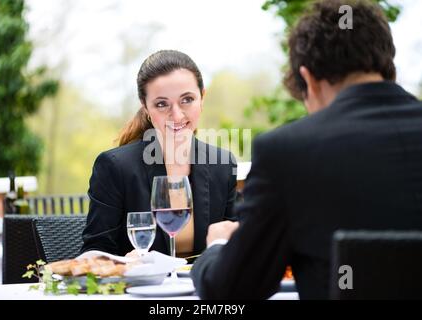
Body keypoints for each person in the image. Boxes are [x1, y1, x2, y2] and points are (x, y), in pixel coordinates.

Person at [191, 0, 422, 299]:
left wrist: (218, 245)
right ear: (386, 64)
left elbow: (229, 290)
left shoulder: (287, 153)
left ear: (308, 79)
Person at [80, 50, 237, 258]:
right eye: (162, 104)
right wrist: (126, 263)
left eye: (187, 99)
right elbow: (94, 252)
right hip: (140, 289)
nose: (177, 115)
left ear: (202, 98)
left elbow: (238, 243)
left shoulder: (222, 165)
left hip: (205, 288)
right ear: (145, 107)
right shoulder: (115, 166)